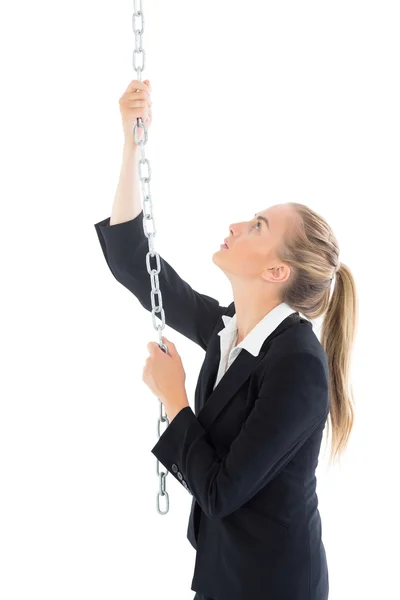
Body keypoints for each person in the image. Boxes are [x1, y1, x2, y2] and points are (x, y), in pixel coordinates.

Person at [93, 79, 358, 600]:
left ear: (277, 270)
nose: (236, 224)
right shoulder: (229, 330)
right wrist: (131, 142)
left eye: (257, 226)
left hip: (273, 588)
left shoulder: (299, 366)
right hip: (227, 576)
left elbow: (220, 491)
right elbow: (133, 264)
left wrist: (174, 397)